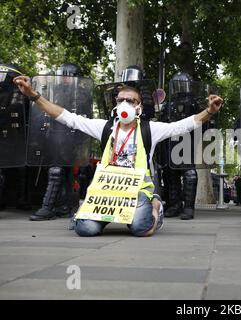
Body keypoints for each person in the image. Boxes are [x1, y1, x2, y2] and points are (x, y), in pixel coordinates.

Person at [14, 74, 223, 237]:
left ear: (139, 107)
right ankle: (97, 216)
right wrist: (33, 95)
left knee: (141, 228)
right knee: (85, 229)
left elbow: (182, 125)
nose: (125, 104)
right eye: (121, 99)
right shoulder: (104, 128)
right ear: (115, 103)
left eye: (131, 101)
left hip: (137, 192)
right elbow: (66, 117)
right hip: (107, 193)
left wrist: (210, 111)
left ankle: (155, 205)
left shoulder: (150, 129)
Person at [29, 63, 89, 221]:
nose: (61, 79)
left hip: (69, 136)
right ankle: (64, 206)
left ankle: (47, 207)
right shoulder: (53, 91)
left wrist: (79, 141)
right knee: (64, 172)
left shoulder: (80, 94)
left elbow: (82, 118)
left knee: (56, 171)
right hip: (53, 135)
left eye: (64, 75)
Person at [159, 72, 206, 220]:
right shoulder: (168, 104)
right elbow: (162, 123)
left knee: (189, 174)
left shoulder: (195, 103)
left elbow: (203, 122)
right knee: (170, 173)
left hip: (188, 141)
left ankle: (188, 207)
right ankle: (175, 205)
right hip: (171, 141)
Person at [0, 63, 31, 211]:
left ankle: (22, 199)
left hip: (18, 136)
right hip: (8, 136)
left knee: (21, 169)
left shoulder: (21, 93)